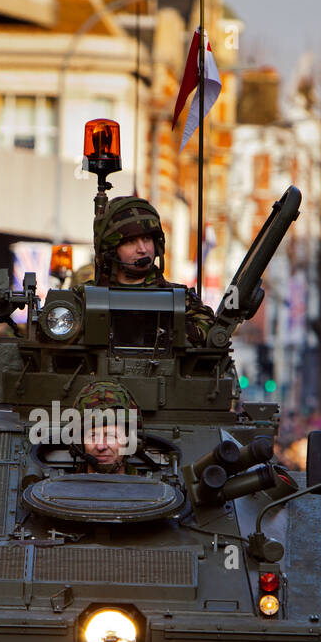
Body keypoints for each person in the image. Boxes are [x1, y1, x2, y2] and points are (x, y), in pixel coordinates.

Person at [87, 196, 217, 345]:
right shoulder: (87, 298)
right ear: (111, 251)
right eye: (130, 241)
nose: (142, 249)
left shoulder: (181, 300)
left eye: (147, 239)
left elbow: (209, 333)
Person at [71, 381, 141, 475]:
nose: (101, 446)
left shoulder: (152, 488)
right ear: (80, 444)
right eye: (93, 436)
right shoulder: (58, 487)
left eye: (111, 436)